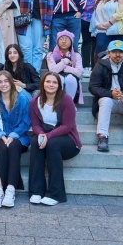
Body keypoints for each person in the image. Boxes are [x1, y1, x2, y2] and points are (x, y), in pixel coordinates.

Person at [29, 72, 82, 205]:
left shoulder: (66, 100)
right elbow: (35, 124)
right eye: (48, 82)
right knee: (35, 141)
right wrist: (41, 134)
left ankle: (55, 193)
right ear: (43, 83)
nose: (51, 85)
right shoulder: (35, 101)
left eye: (54, 82)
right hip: (47, 134)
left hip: (68, 140)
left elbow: (68, 126)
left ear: (59, 85)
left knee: (52, 144)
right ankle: (37, 191)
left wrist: (47, 136)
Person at [0, 71, 31, 208]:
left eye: (6, 81)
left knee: (12, 147)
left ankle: (10, 190)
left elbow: (26, 122)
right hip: (0, 135)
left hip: (20, 136)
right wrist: (2, 135)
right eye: (0, 82)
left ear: (11, 82)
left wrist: (12, 136)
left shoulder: (22, 99)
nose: (3, 84)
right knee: (2, 149)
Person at [15, 0, 53, 71]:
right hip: (23, 21)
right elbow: (14, 3)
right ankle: (28, 73)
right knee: (26, 48)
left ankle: (35, 73)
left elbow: (50, 4)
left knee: (38, 48)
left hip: (39, 20)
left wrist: (48, 22)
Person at [81, 0, 106, 76]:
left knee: (99, 42)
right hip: (86, 16)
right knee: (87, 41)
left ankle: (96, 67)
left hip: (101, 17)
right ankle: (86, 66)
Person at [47, 30, 84, 104]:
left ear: (71, 42)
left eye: (66, 39)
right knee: (59, 79)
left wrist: (68, 69)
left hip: (72, 77)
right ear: (57, 41)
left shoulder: (76, 55)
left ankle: (70, 104)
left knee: (70, 79)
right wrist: (65, 61)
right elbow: (53, 70)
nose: (64, 41)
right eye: (61, 39)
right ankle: (57, 103)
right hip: (56, 76)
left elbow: (80, 73)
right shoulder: (51, 55)